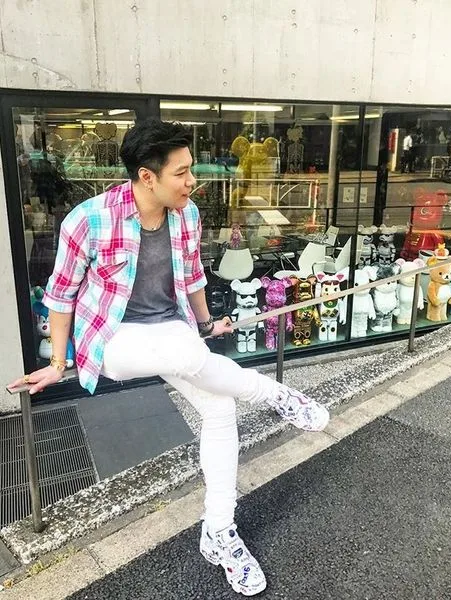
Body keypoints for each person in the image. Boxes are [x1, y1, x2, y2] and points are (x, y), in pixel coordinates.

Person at [9, 118, 329, 596]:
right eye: (181, 172)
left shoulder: (187, 215)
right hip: (113, 339)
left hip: (172, 330)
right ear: (147, 176)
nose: (192, 181)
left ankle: (219, 532)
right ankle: (274, 394)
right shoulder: (89, 219)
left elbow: (193, 276)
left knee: (218, 407)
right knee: (188, 353)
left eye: (190, 169)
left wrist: (205, 324)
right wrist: (58, 364)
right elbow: (60, 295)